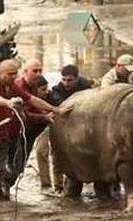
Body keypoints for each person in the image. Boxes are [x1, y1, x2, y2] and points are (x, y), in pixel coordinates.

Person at [0, 59, 71, 213]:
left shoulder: (13, 86)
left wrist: (56, 110)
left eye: (15, 73)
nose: (13, 77)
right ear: (1, 73)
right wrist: (8, 103)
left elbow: (32, 99)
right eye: (10, 74)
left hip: (3, 134)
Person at [36, 64, 92, 192]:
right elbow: (57, 104)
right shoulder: (57, 90)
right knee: (43, 151)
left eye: (69, 80)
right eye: (64, 79)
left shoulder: (85, 86)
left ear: (77, 79)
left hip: (78, 123)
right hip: (54, 120)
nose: (66, 83)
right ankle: (51, 185)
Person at [4, 59, 56, 197]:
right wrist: (43, 116)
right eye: (35, 71)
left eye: (40, 70)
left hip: (29, 132)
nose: (38, 73)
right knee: (13, 165)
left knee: (19, 166)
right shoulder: (19, 86)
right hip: (16, 132)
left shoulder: (35, 86)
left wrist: (52, 110)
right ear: (25, 71)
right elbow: (23, 113)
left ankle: (4, 192)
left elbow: (35, 102)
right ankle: (0, 191)